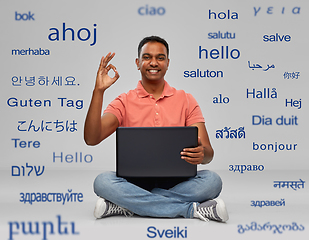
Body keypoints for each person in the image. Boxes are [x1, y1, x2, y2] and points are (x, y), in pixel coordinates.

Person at [84, 36, 228, 222]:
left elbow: (208, 153)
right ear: (138, 63)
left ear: (168, 63)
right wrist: (98, 91)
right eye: (147, 57)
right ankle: (191, 210)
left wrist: (202, 154)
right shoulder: (124, 101)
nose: (154, 62)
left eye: (160, 57)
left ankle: (126, 205)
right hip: (134, 182)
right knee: (102, 182)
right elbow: (91, 138)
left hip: (177, 182)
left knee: (212, 181)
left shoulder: (186, 99)